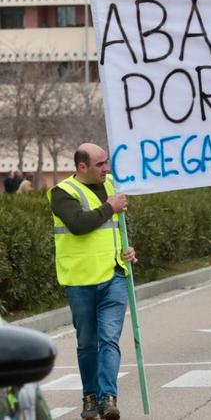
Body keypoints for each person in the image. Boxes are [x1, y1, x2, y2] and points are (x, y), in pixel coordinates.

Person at [48, 143, 136, 420]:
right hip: (81, 279)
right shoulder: (62, 193)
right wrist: (110, 206)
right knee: (87, 343)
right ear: (81, 166)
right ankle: (90, 396)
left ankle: (108, 398)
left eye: (106, 163)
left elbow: (118, 228)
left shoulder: (113, 185)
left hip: (115, 275)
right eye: (100, 164)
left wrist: (128, 248)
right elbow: (79, 224)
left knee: (109, 339)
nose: (106, 169)